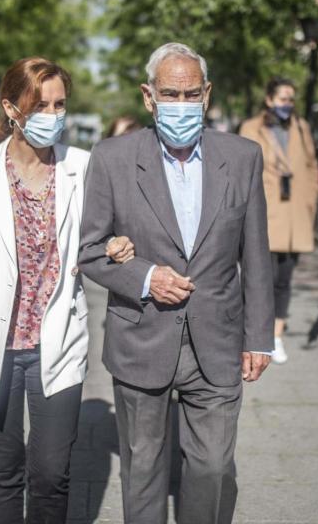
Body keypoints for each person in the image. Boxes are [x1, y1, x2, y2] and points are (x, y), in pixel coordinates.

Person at [0, 57, 135, 523]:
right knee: (4, 470)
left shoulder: (82, 167)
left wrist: (118, 244)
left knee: (51, 474)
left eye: (60, 105)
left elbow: (103, 235)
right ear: (11, 108)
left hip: (57, 342)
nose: (52, 115)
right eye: (40, 105)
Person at [79, 42, 275, 524]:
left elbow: (256, 253)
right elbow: (90, 250)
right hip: (142, 337)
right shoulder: (112, 158)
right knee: (143, 469)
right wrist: (145, 277)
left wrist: (260, 338)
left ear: (207, 94)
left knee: (211, 467)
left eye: (191, 95)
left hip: (218, 339)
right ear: (149, 97)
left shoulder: (243, 156)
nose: (182, 106)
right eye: (171, 94)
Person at [239, 78, 318, 364]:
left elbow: (312, 166)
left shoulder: (301, 127)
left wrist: (311, 199)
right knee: (261, 277)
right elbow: (240, 169)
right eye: (284, 98)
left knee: (284, 279)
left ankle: (276, 336)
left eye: (291, 99)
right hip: (264, 212)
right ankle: (252, 332)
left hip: (295, 214)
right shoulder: (251, 128)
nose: (288, 104)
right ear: (269, 99)